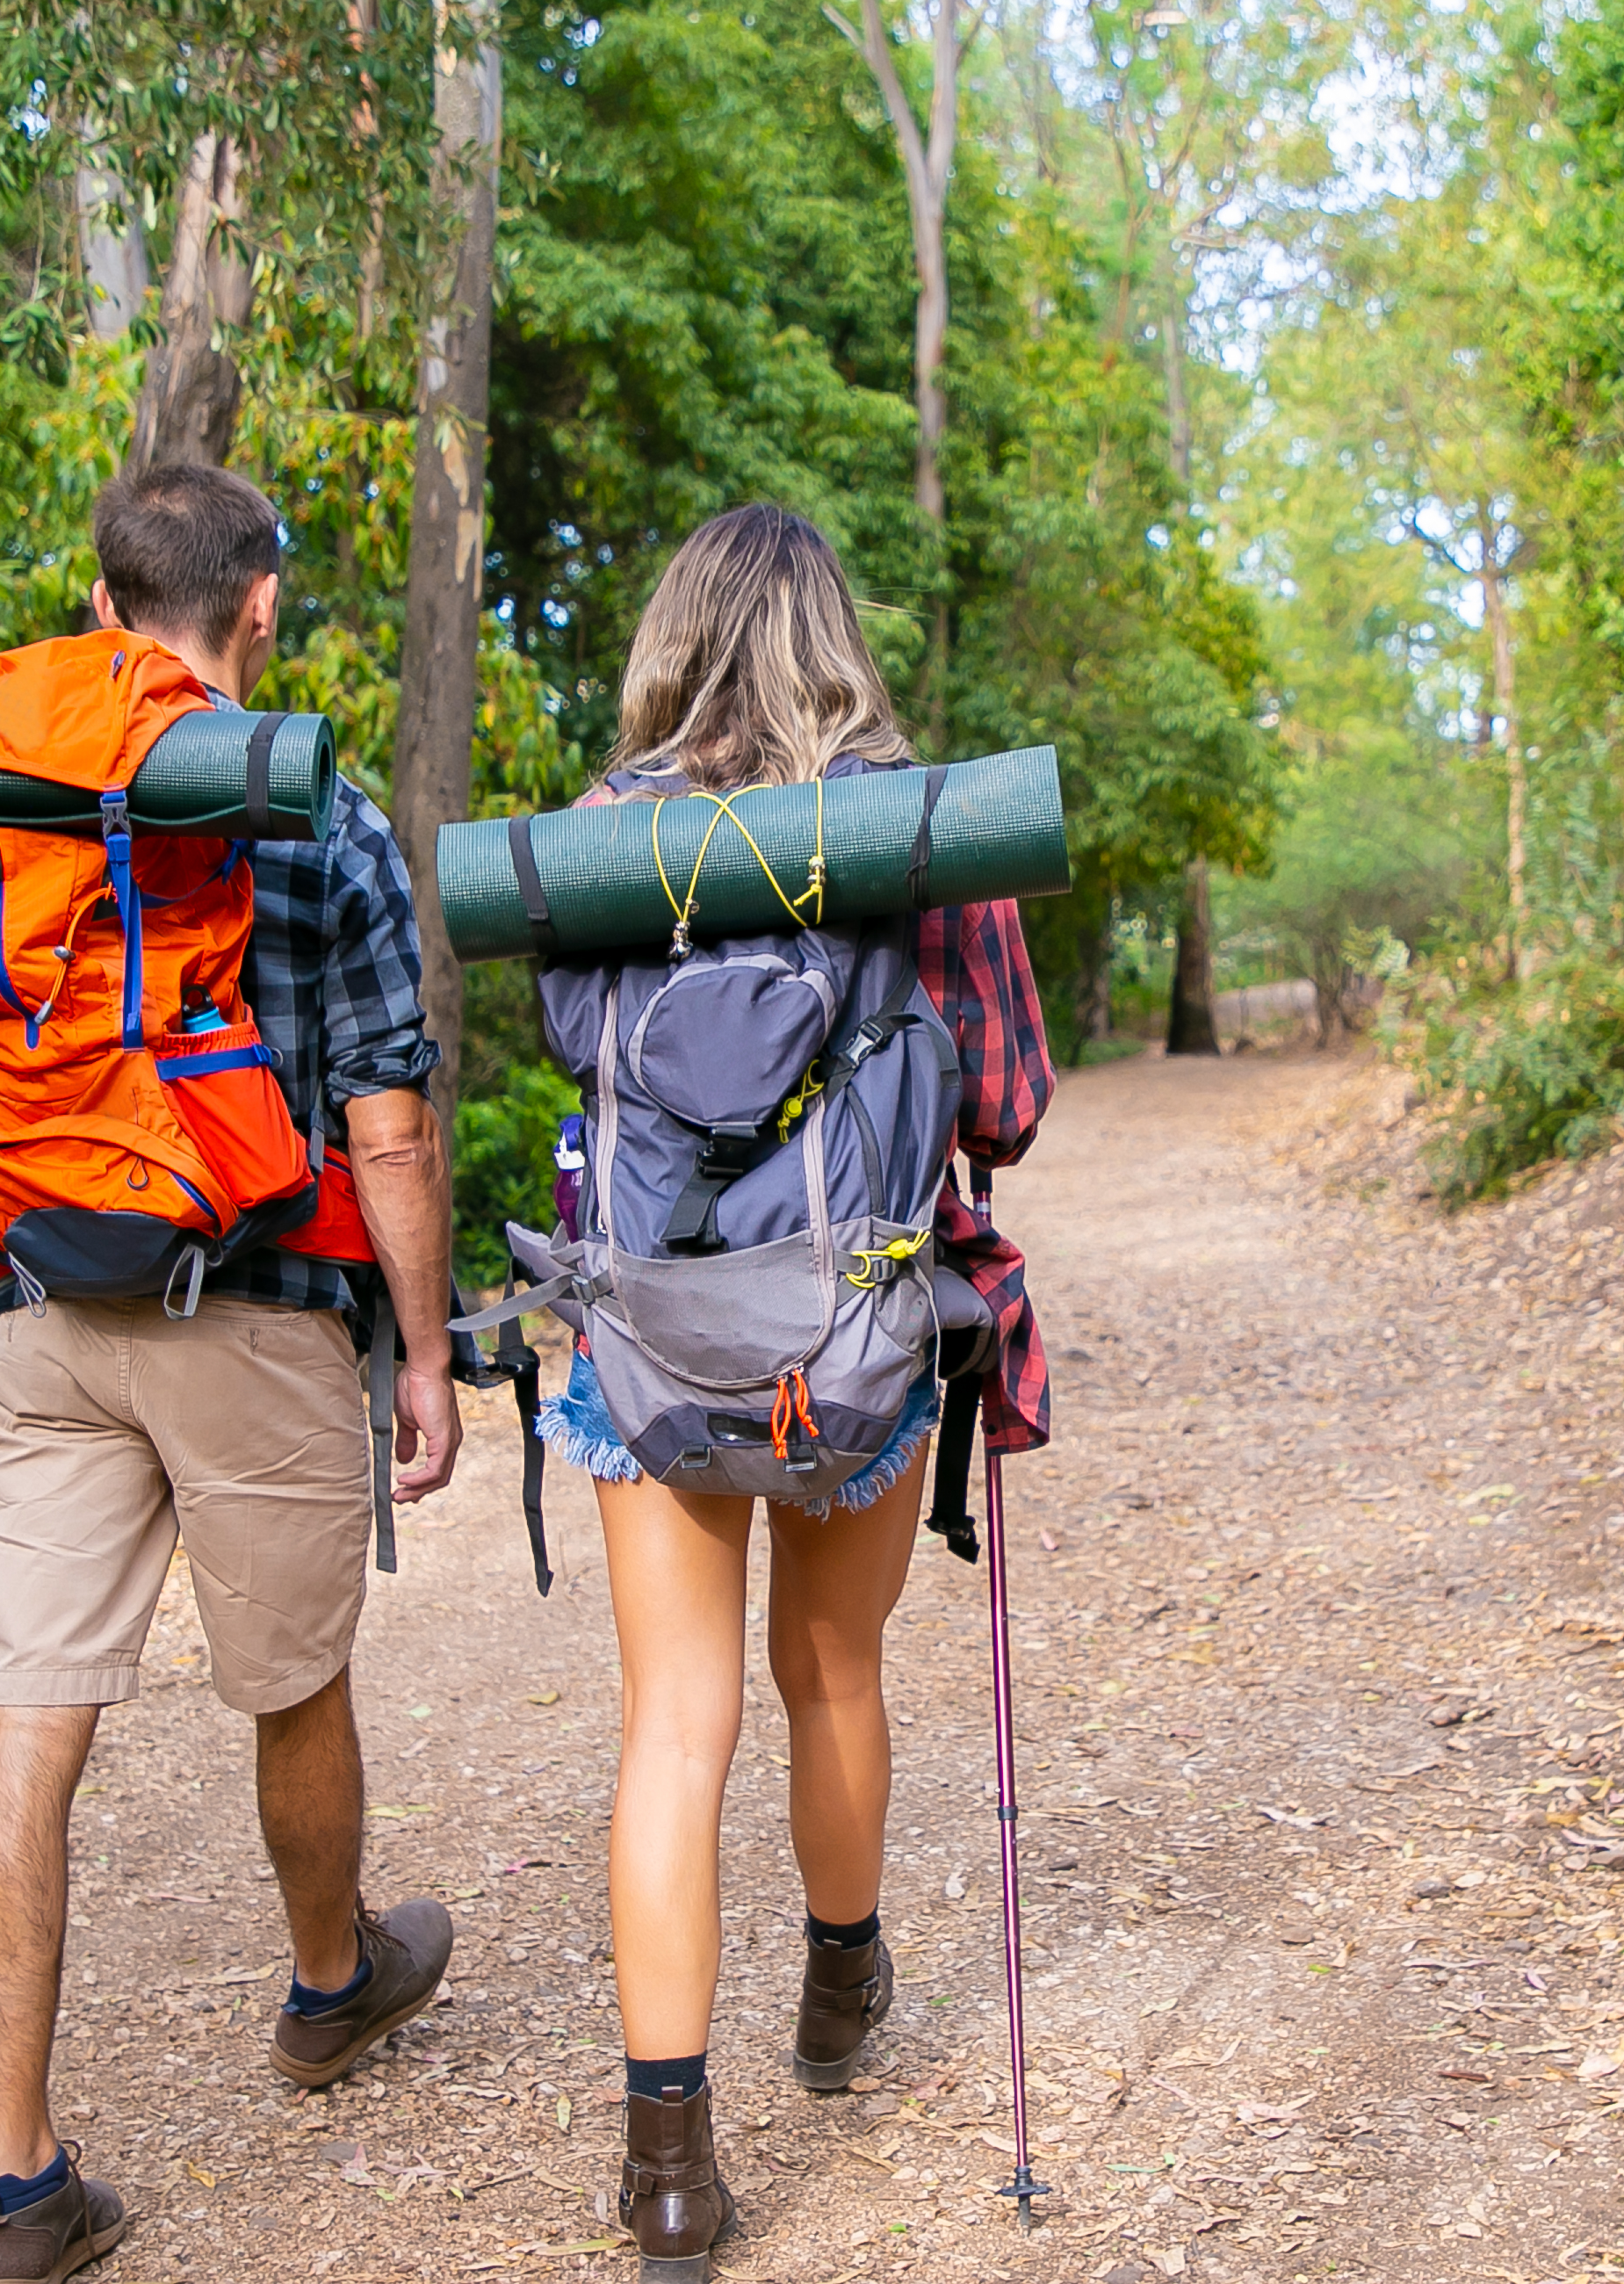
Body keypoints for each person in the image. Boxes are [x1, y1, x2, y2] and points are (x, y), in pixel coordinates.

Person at [0, 462, 469, 2284]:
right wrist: (423, 1349)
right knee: (293, 1672)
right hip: (247, 1304)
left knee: (33, 1709)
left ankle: (18, 2186)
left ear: (103, 605)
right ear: (255, 611)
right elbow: (385, 1122)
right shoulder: (312, 808)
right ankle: (331, 1987)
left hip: (30, 1304)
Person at [541, 506, 1057, 2277]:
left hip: (653, 1341)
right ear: (840, 639)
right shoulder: (924, 834)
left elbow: (568, 1047)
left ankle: (669, 2175)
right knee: (829, 1672)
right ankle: (841, 1988)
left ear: (672, 639)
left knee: (674, 1720)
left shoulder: (602, 840)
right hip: (851, 1335)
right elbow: (1005, 1106)